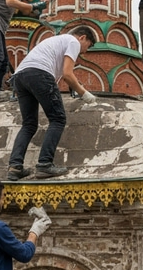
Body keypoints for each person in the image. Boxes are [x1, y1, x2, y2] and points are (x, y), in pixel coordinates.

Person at [7, 26, 97, 181]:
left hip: (20, 77)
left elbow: (60, 77)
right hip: (39, 74)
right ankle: (44, 164)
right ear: (82, 37)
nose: (84, 52)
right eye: (87, 46)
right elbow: (68, 74)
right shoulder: (73, 41)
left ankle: (15, 167)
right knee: (58, 119)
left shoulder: (55, 41)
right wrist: (84, 93)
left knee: (28, 124)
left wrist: (73, 86)